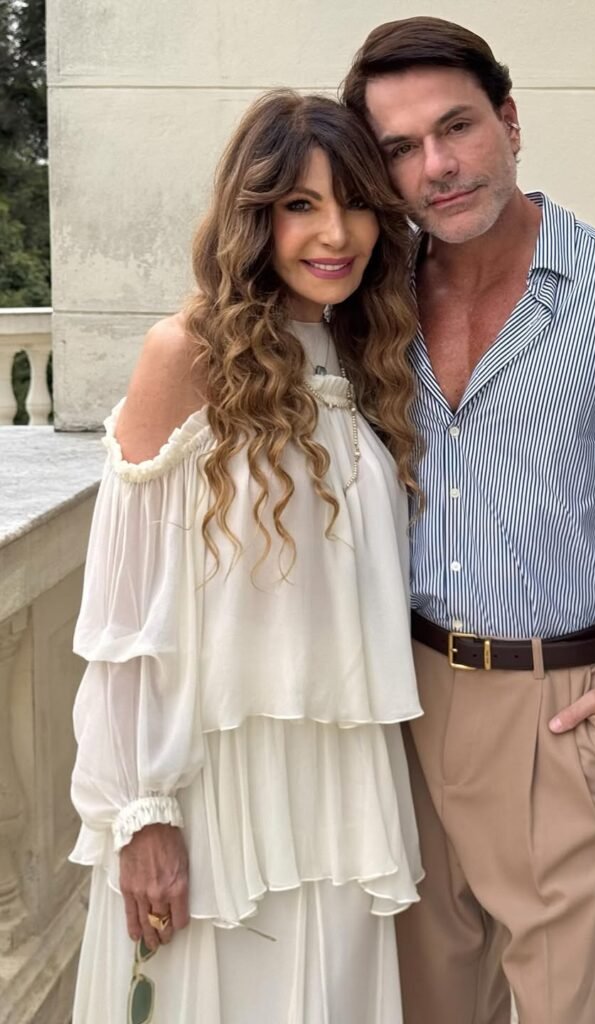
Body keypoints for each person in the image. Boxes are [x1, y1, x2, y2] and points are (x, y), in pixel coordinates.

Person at [342, 17, 595, 1024]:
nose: (437, 166)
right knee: (429, 1006)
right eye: (401, 147)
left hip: (558, 708)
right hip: (402, 699)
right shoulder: (371, 300)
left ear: (509, 122)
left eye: (457, 127)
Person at [69, 90, 424, 1024]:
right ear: (253, 215)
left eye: (356, 203)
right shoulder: (184, 354)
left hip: (340, 788)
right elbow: (124, 617)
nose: (336, 233)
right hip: (214, 789)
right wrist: (141, 812)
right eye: (302, 205)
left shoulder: (363, 352)